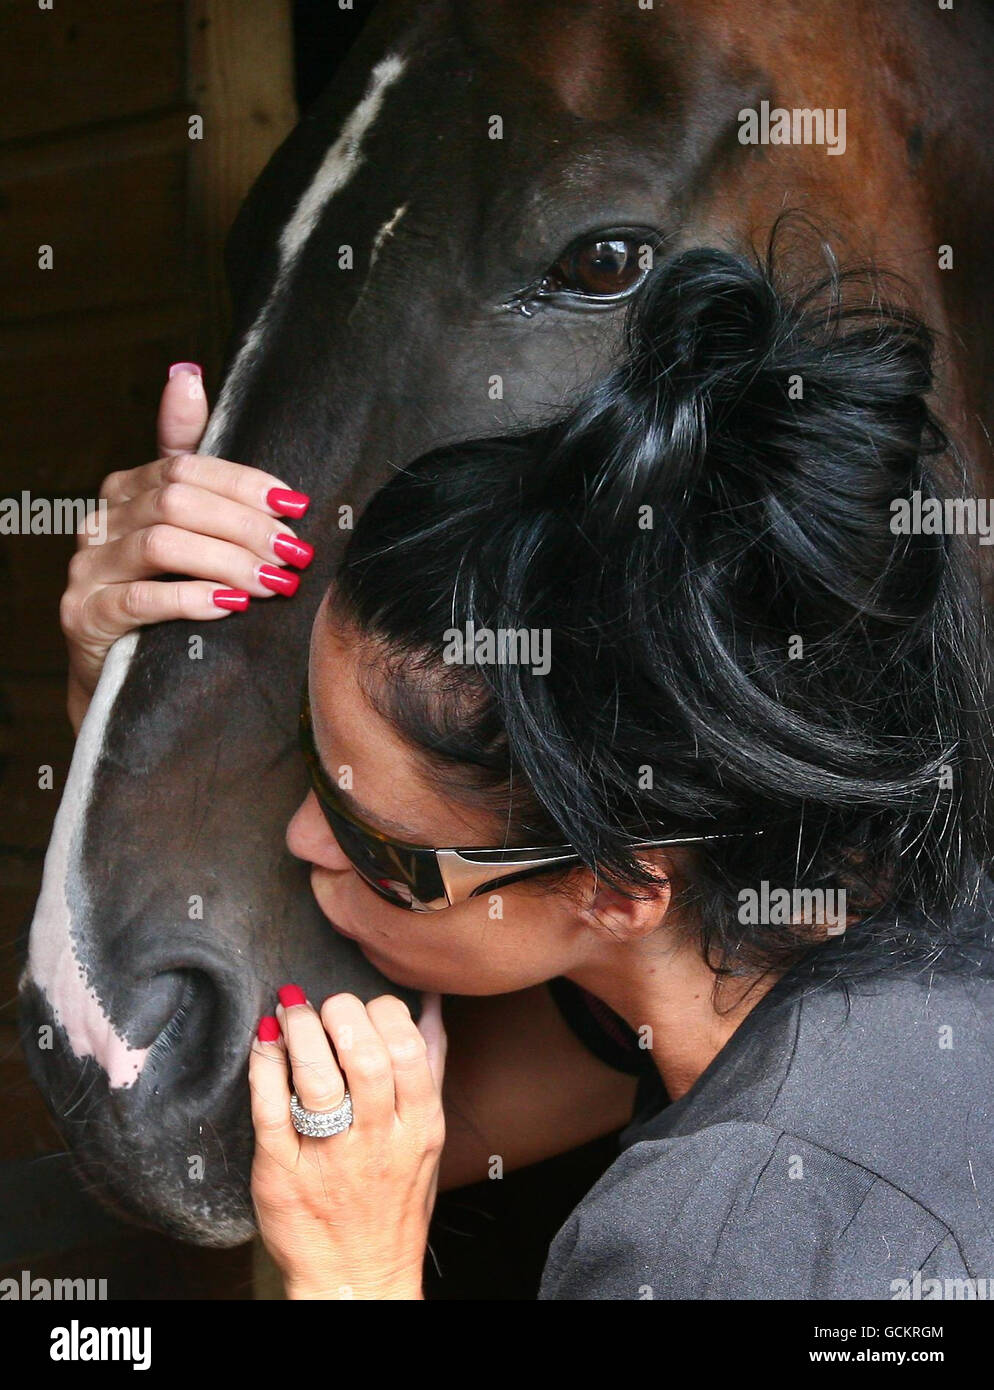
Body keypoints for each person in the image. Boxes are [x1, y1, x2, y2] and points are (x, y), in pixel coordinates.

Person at [62, 245, 994, 1300]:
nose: (297, 837)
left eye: (374, 845)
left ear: (618, 886)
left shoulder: (723, 1241)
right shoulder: (874, 954)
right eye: (310, 764)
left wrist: (353, 1275)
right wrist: (136, 687)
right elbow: (250, 1145)